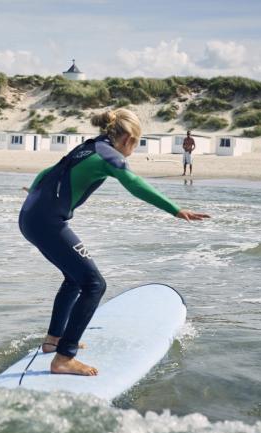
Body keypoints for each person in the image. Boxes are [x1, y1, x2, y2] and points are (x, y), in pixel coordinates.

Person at [18, 108, 210, 376]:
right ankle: (64, 358)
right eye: (138, 142)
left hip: (30, 216)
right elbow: (134, 184)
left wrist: (36, 193)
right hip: (47, 223)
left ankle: (54, 341)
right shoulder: (110, 156)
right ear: (129, 138)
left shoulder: (89, 147)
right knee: (94, 284)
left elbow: (48, 171)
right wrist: (175, 209)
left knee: (75, 279)